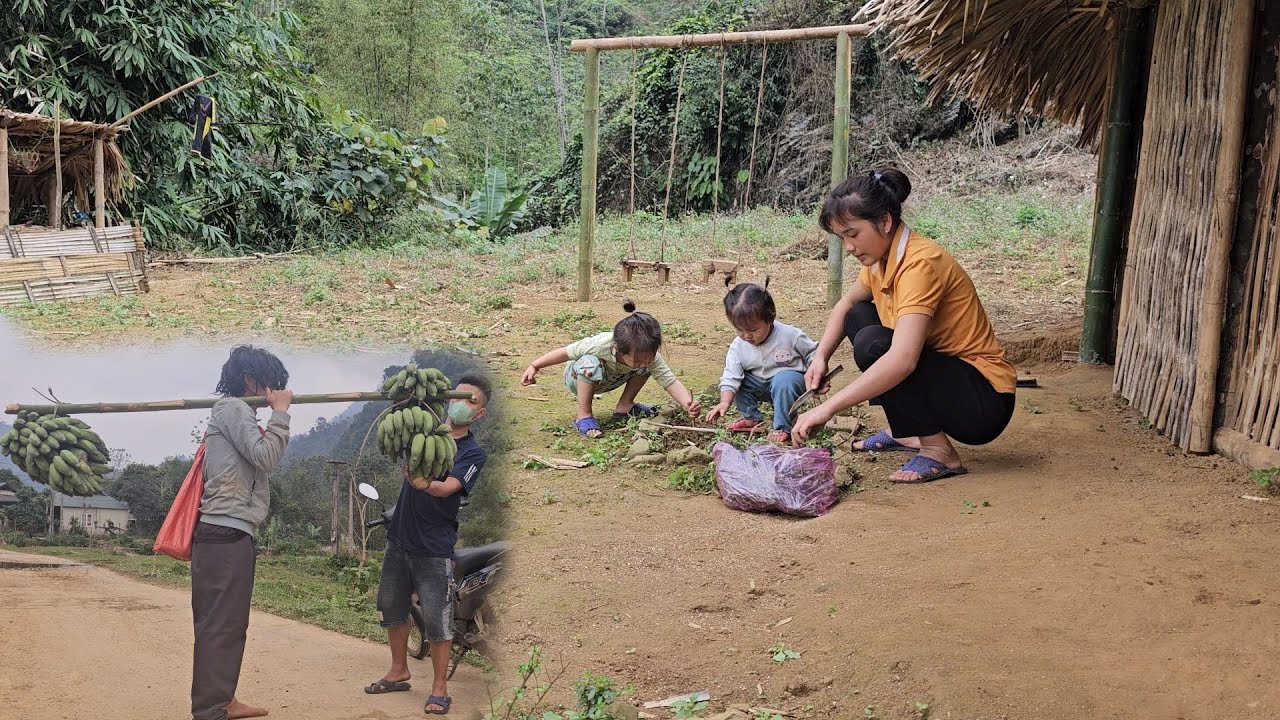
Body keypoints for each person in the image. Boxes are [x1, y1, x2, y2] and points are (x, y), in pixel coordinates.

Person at [792, 168, 1017, 483]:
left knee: (876, 343)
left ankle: (939, 453)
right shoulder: (882, 258)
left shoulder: (919, 265)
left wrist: (826, 409)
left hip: (983, 402)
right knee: (858, 316)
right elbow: (845, 305)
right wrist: (820, 356)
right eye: (842, 238)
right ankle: (910, 432)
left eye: (853, 234)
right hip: (950, 379)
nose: (849, 248)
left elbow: (903, 360)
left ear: (884, 221)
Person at [366, 372, 491, 715]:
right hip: (399, 537)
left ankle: (439, 688)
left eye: (471, 401)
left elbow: (449, 487)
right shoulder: (423, 428)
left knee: (437, 618)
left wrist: (424, 484)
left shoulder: (472, 452)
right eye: (457, 395)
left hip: (434, 545)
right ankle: (398, 669)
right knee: (392, 607)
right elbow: (397, 422)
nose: (461, 404)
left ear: (479, 414)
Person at [192, 345, 293, 720]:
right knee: (222, 624)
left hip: (226, 532)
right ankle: (212, 708)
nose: (273, 391)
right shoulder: (233, 409)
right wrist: (281, 414)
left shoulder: (237, 413)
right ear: (251, 380)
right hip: (225, 531)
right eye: (270, 383)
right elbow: (265, 456)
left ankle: (220, 701)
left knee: (225, 623)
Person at [520, 300, 701, 438]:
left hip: (610, 380)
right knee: (590, 363)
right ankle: (583, 415)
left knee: (646, 368)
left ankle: (624, 407)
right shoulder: (600, 344)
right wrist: (535, 365)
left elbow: (669, 380)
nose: (644, 361)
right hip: (578, 378)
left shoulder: (648, 356)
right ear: (618, 348)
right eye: (637, 359)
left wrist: (687, 404)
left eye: (649, 357)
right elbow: (566, 353)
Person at [704, 280, 820, 443]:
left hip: (789, 384)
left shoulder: (790, 336)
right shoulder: (739, 346)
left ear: (770, 318)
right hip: (760, 384)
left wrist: (817, 374)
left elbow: (814, 353)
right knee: (740, 381)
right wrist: (724, 401)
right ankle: (752, 419)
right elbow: (731, 375)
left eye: (752, 330)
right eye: (739, 329)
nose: (746, 335)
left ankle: (782, 427)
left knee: (784, 380)